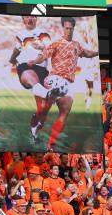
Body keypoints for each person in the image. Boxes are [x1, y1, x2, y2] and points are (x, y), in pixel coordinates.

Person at [25, 17, 98, 150]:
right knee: (44, 112)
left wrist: (97, 52)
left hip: (68, 83)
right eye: (66, 28)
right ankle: (36, 123)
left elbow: (86, 53)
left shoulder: (76, 45)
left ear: (73, 28)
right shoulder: (56, 43)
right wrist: (34, 61)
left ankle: (51, 145)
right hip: (54, 78)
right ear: (63, 28)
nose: (68, 30)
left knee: (65, 112)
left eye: (71, 28)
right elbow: (44, 55)